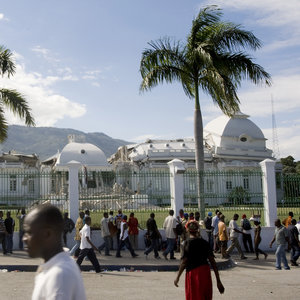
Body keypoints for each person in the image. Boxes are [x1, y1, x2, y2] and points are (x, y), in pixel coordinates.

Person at [23, 205, 86, 300]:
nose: (24, 238)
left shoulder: (59, 275)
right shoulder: (53, 267)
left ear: (47, 234)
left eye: (29, 232)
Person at [174, 220, 225, 300]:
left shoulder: (186, 244)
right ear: (198, 229)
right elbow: (213, 262)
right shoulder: (204, 243)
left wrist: (177, 277)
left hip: (193, 274)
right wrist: (218, 281)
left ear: (187, 230)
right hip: (205, 273)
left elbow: (184, 262)